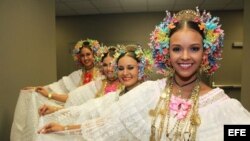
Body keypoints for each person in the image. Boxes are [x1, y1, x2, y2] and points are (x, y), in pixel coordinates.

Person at [38, 8, 250, 141]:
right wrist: (65, 127)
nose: (185, 56)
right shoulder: (148, 93)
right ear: (165, 52)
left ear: (206, 52)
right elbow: (108, 124)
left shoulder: (223, 107)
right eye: (177, 49)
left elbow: (239, 133)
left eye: (194, 48)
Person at [36, 44, 153, 140]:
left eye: (130, 68)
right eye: (121, 68)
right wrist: (63, 126)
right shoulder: (115, 97)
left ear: (141, 69)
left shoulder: (149, 93)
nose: (125, 73)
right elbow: (86, 110)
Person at [10, 38, 104, 141]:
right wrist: (36, 89)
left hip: (92, 114)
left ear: (94, 54)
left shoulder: (101, 76)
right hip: (74, 111)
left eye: (88, 54)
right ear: (78, 57)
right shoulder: (76, 75)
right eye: (82, 55)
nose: (85, 58)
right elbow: (57, 87)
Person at [37, 46, 123, 116]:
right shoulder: (98, 83)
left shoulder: (126, 85)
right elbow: (75, 100)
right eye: (105, 65)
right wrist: (48, 95)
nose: (109, 69)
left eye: (112, 65)